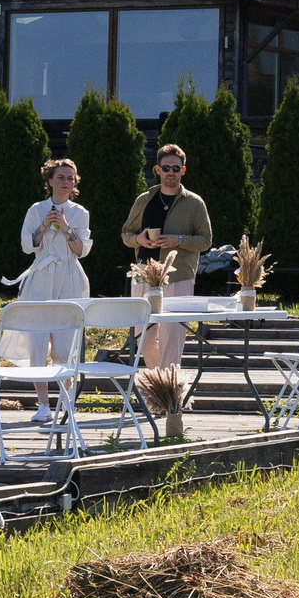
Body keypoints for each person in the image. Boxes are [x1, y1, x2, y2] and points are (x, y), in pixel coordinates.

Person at [122, 142, 212, 413]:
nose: (170, 173)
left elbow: (205, 240)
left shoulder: (194, 202)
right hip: (143, 275)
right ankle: (162, 391)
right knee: (143, 338)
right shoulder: (144, 199)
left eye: (176, 168)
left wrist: (178, 240)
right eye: (166, 168)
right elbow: (126, 234)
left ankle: (170, 401)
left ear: (183, 170)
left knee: (173, 338)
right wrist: (138, 239)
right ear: (157, 169)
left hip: (178, 276)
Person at [11, 157, 92, 425]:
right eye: (61, 177)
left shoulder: (79, 212)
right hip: (41, 278)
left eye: (70, 178)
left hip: (69, 277)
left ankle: (67, 402)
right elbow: (28, 246)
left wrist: (67, 228)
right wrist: (45, 224)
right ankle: (43, 405)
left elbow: (81, 250)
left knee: (64, 345)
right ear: (50, 181)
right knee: (37, 343)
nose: (66, 182)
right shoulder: (36, 209)